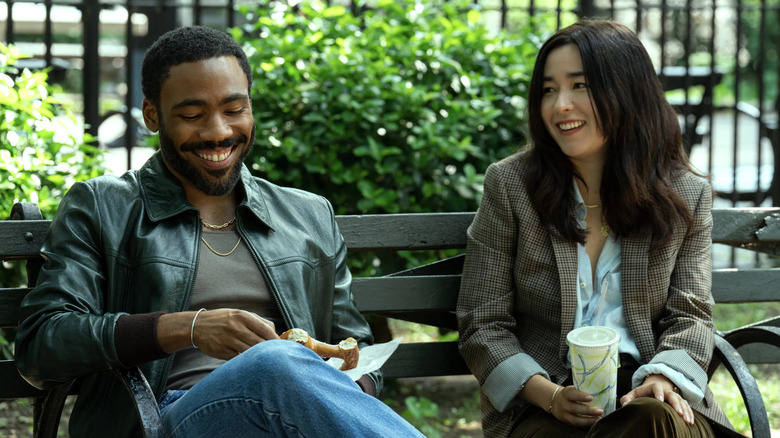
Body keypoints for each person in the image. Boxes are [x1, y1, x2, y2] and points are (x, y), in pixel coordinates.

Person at [15, 25, 423, 438]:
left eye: (234, 109)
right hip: (163, 420)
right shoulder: (104, 206)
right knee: (273, 364)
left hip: (293, 414)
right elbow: (43, 343)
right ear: (152, 115)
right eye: (192, 115)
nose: (218, 132)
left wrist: (351, 388)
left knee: (280, 367)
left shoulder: (308, 214)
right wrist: (188, 327)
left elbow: (353, 345)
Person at [456, 20, 741, 438]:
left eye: (580, 86)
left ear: (627, 90)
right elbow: (482, 322)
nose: (560, 105)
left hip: (651, 395)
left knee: (651, 420)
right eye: (549, 90)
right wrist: (549, 395)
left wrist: (663, 378)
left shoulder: (685, 194)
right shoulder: (512, 185)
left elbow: (691, 315)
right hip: (546, 401)